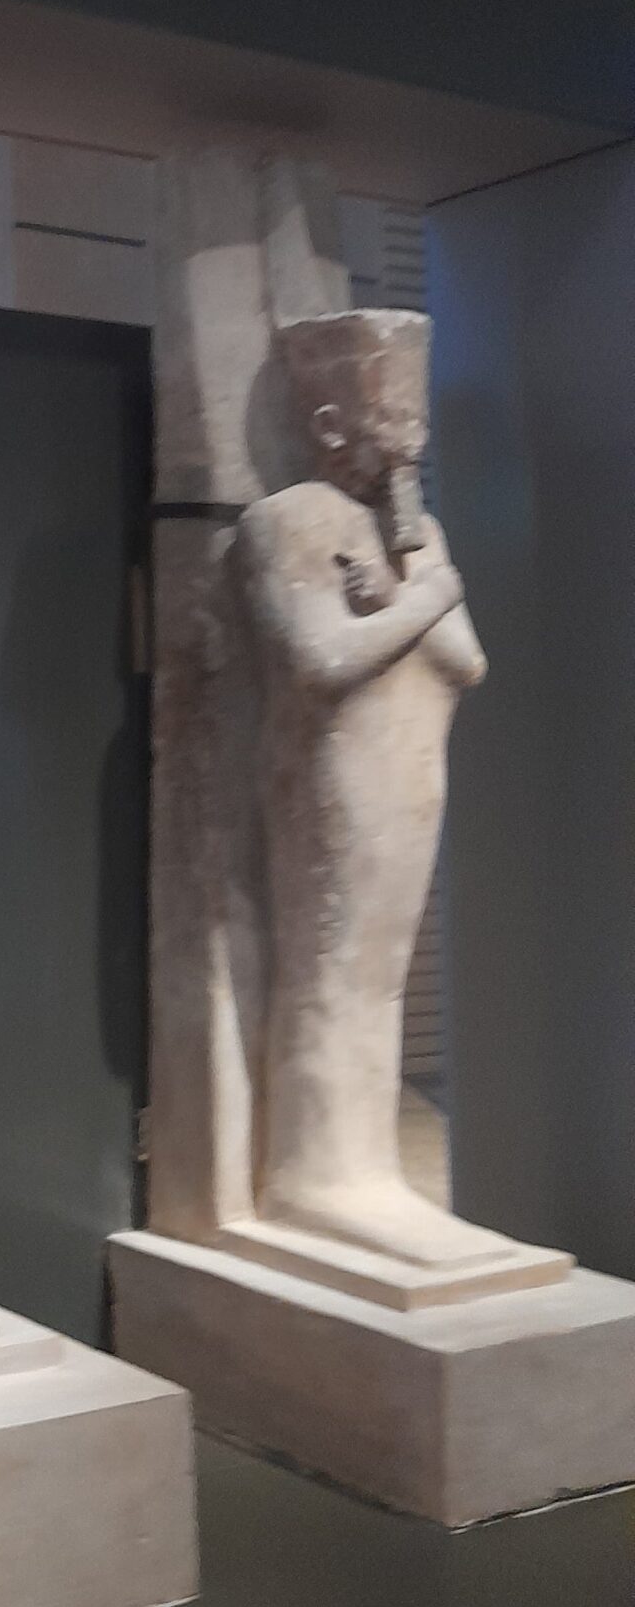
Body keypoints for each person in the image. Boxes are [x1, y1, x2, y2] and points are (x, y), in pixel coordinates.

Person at [235, 309, 501, 1268]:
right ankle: (318, 1174)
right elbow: (320, 658)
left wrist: (409, 588)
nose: (412, 440)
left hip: (411, 771)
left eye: (418, 419)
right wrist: (424, 599)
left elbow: (466, 662)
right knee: (332, 971)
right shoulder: (286, 522)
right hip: (333, 777)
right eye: (394, 418)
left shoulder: (416, 533)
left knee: (382, 978)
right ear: (330, 424)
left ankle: (370, 1169)